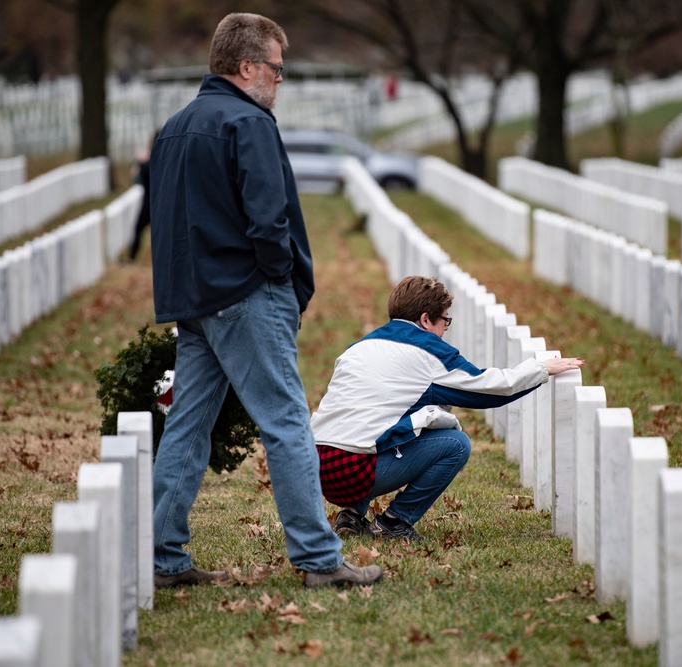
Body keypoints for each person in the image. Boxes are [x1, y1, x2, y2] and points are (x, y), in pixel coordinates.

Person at [148, 12, 382, 589]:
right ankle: (319, 559)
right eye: (277, 69)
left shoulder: (175, 126)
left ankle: (160, 555)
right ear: (247, 66)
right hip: (247, 294)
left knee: (188, 426)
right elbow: (267, 218)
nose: (280, 80)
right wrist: (281, 280)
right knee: (286, 425)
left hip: (195, 300)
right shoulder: (247, 121)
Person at [310, 276, 585, 541]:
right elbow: (490, 389)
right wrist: (541, 369)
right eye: (445, 321)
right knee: (455, 444)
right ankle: (395, 521)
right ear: (426, 319)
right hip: (357, 472)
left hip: (318, 467)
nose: (445, 330)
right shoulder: (429, 351)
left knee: (382, 420)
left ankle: (352, 514)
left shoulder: (358, 346)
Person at [127, 129, 158, 262]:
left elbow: (137, 177)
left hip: (149, 203)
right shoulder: (164, 159)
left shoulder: (149, 161)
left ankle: (132, 257)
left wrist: (140, 164)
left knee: (139, 229)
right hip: (159, 203)